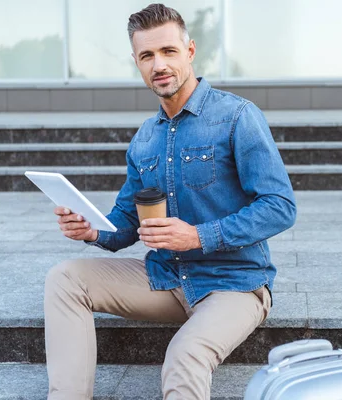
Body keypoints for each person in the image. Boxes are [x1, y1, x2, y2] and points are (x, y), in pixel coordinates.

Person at [44, 3, 296, 400]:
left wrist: (197, 236)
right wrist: (93, 230)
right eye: (147, 56)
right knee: (65, 277)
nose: (158, 64)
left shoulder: (237, 116)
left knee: (184, 352)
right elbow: (125, 221)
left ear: (190, 52)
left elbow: (280, 205)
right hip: (164, 279)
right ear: (136, 62)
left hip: (234, 284)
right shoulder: (144, 137)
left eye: (168, 52)